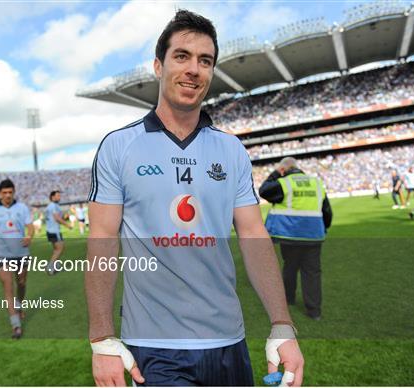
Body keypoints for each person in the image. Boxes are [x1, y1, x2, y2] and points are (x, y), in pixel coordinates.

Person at [85, 10, 304, 387]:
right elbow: (103, 241)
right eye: (182, 56)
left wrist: (282, 323)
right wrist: (102, 337)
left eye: (205, 61)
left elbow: (253, 235)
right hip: (153, 349)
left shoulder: (231, 150)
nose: (194, 70)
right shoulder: (119, 146)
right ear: (158, 65)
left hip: (228, 342)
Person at [260, 157, 332, 321]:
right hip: (314, 235)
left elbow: (263, 190)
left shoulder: (285, 183)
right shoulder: (316, 183)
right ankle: (314, 312)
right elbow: (327, 210)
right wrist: (324, 228)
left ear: (283, 170)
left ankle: (289, 299)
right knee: (312, 272)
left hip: (290, 235)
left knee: (290, 268)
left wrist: (276, 174)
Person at [0, 179, 33, 339]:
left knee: (21, 283)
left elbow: (30, 227)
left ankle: (20, 304)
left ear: (14, 192)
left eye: (10, 192)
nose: (7, 195)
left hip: (21, 252)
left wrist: (29, 236)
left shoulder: (22, 208)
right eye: (4, 192)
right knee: (8, 287)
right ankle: (16, 326)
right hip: (2, 254)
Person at [45, 190, 71, 275]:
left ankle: (57, 266)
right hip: (54, 231)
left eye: (60, 196)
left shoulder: (52, 206)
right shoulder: (53, 206)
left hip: (50, 230)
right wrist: (67, 225)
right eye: (58, 196)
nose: (59, 197)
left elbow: (57, 217)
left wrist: (64, 217)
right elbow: (57, 218)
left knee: (56, 249)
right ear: (52, 197)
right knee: (60, 248)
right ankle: (50, 267)